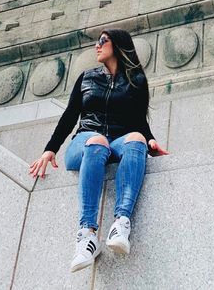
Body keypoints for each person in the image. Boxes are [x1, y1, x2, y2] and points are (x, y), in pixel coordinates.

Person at [28, 29, 168, 272]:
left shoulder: (136, 80)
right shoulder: (87, 77)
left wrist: (151, 140)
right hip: (84, 142)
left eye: (103, 40)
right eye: (97, 41)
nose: (97, 45)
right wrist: (49, 149)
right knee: (96, 141)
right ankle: (87, 234)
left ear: (118, 44)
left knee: (136, 139)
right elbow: (70, 116)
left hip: (116, 141)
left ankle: (121, 223)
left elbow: (139, 121)